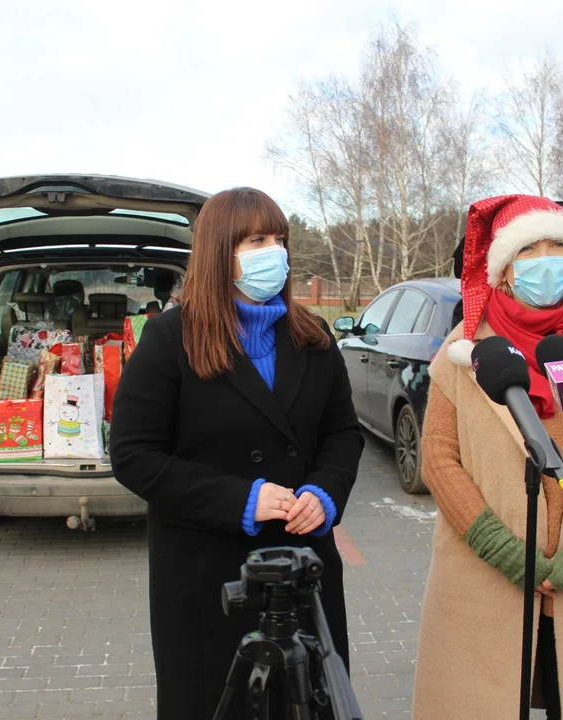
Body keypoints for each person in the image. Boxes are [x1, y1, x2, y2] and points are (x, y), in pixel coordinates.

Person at [109, 187, 364, 719]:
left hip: (303, 568)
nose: (275, 251)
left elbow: (343, 435)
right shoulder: (168, 338)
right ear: (219, 251)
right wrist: (240, 500)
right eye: (256, 239)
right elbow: (134, 455)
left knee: (310, 704)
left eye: (280, 239)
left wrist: (325, 492)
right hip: (208, 577)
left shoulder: (314, 336)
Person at [412, 195, 563, 719]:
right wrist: (503, 549)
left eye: (558, 247)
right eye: (530, 249)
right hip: (489, 578)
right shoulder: (465, 349)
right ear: (503, 270)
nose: (547, 259)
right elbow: (438, 456)